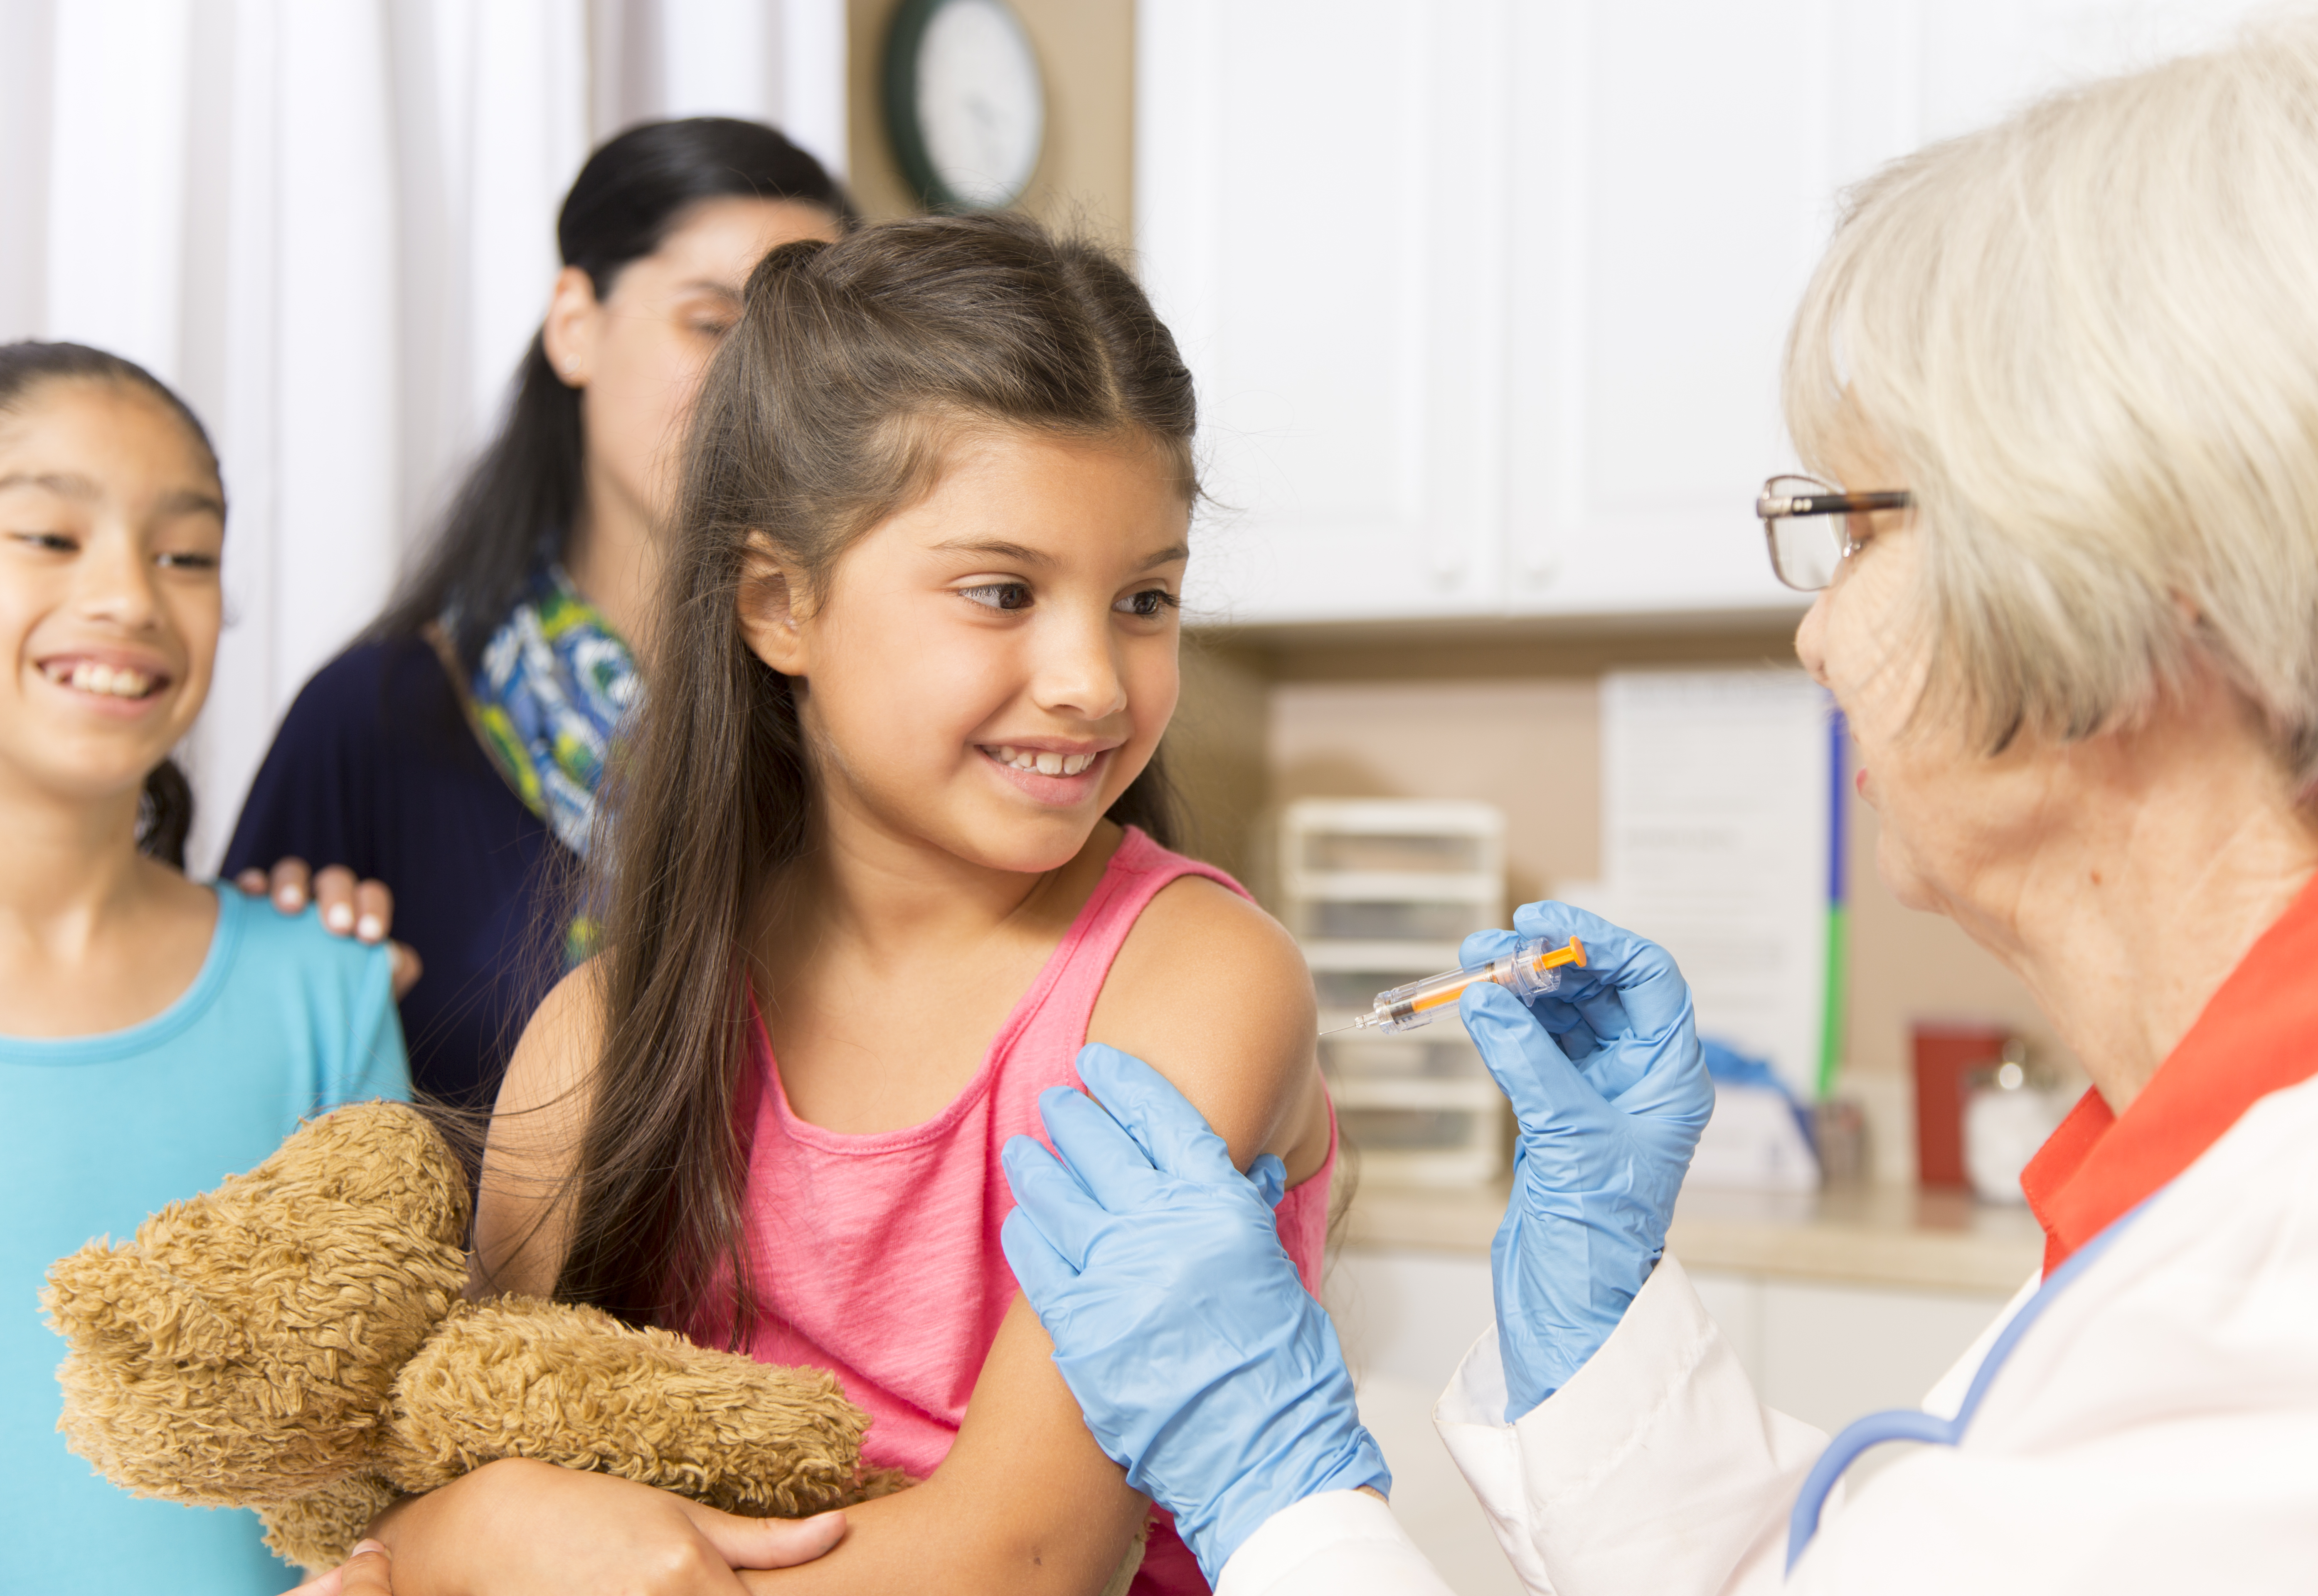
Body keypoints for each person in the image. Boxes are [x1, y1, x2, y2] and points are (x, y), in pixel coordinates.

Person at [999, 12, 2318, 1594]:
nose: (1819, 633)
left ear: (2139, 586)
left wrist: (1275, 1488)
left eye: (1857, 531)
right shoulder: (2255, 1185)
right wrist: (1599, 1334)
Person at [349, 213, 1341, 1596]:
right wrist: (455, 1526)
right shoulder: (603, 1036)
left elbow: (1025, 1556)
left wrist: (509, 1546)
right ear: (778, 604)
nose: (1094, 682)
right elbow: (462, 1448)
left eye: (1144, 600)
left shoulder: (1192, 982)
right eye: (1003, 592)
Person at [224, 118, 852, 1112]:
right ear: (575, 324)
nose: (757, 391)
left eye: (800, 349)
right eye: (711, 323)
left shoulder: (861, 718)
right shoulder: (378, 719)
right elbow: (241, 1098)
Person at [0, 342, 410, 1594]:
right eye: (50, 538)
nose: (131, 596)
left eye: (186, 554)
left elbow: (385, 1463)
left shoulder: (324, 993)